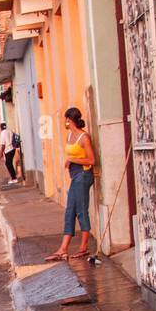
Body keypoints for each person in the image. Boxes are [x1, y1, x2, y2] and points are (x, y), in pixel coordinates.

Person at [46, 107, 97, 261]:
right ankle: (63, 248)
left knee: (81, 210)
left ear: (70, 119)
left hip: (83, 174)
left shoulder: (84, 137)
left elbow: (91, 160)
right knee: (70, 211)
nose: (65, 122)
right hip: (75, 175)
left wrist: (72, 160)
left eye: (66, 119)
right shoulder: (69, 136)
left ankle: (83, 247)